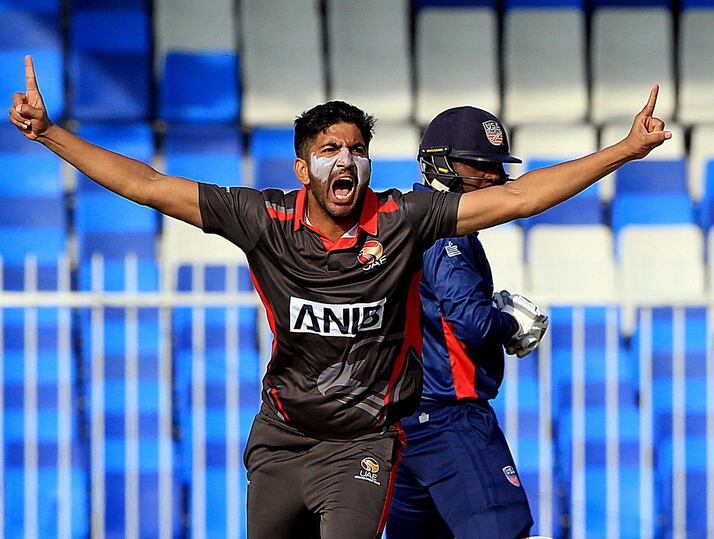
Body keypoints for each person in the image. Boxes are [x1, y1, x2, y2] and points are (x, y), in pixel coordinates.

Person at [8, 55, 670, 539]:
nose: (345, 160)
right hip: (280, 439)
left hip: (364, 442)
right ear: (304, 169)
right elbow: (149, 184)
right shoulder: (262, 218)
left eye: (356, 149)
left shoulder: (404, 217)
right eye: (329, 150)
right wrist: (50, 134)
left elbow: (520, 196)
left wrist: (625, 149)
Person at [386, 107, 548, 539]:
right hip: (450, 420)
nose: (492, 177)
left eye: (496, 166)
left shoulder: (402, 220)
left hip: (405, 425)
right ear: (440, 164)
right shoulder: (445, 234)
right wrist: (511, 324)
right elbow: (472, 323)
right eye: (479, 165)